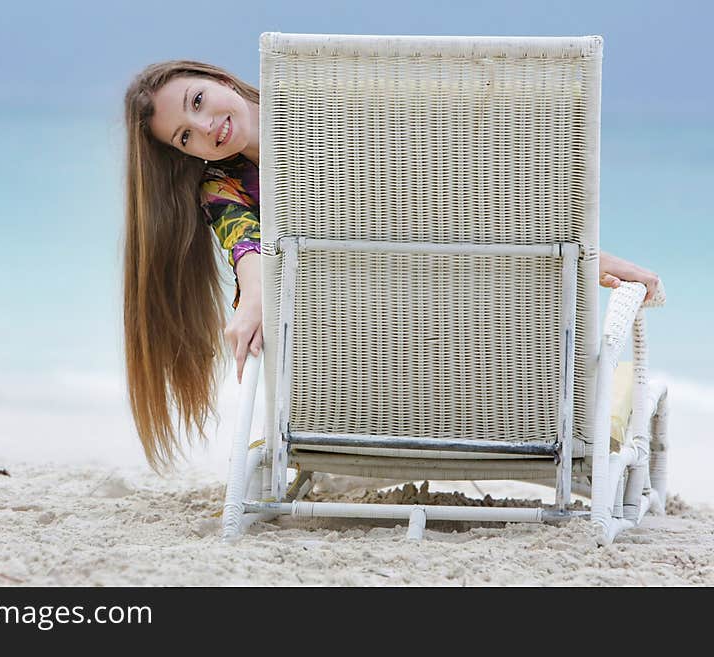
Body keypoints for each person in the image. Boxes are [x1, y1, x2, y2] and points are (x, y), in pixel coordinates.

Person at [123, 60, 660, 470]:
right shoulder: (227, 183)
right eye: (185, 136)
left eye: (198, 100)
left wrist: (585, 256)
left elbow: (459, 196)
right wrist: (254, 295)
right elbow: (251, 251)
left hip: (430, 348)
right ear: (186, 155)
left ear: (222, 81)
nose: (205, 125)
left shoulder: (328, 110)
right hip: (441, 361)